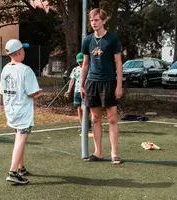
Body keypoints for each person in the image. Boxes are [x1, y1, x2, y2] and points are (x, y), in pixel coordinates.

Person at [80, 8, 123, 164]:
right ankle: (98, 152)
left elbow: (119, 63)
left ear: (104, 21)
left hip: (109, 82)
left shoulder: (112, 39)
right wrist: (81, 85)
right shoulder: (87, 40)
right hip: (92, 82)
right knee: (96, 118)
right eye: (92, 20)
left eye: (97, 20)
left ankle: (114, 153)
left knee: (112, 119)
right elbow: (85, 64)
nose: (94, 23)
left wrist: (119, 85)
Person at [0, 39, 42, 184]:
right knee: (21, 139)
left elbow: (3, 91)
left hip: (10, 109)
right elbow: (31, 92)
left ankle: (20, 167)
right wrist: (38, 92)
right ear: (18, 51)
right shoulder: (25, 69)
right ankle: (12, 172)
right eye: (22, 50)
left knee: (18, 137)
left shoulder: (5, 69)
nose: (24, 52)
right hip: (22, 110)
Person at [64, 53, 93, 138]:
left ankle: (88, 122)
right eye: (79, 62)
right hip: (77, 91)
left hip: (86, 91)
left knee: (87, 108)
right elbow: (72, 80)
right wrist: (69, 90)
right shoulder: (75, 69)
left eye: (82, 61)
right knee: (79, 108)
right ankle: (82, 125)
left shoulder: (89, 68)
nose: (80, 63)